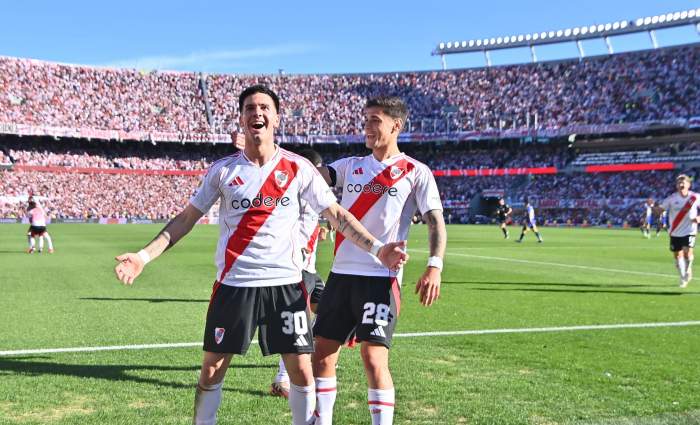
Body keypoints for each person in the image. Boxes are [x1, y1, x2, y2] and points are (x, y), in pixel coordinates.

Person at [113, 85, 408, 425]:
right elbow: (186, 219)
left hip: (286, 286)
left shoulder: (298, 168)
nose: (257, 113)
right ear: (241, 119)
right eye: (250, 108)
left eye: (265, 107)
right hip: (235, 284)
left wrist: (378, 248)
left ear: (276, 118)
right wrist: (143, 256)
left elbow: (338, 216)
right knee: (212, 368)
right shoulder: (223, 171)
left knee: (301, 370)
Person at [311, 96, 446, 425]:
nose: (367, 126)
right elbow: (313, 177)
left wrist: (434, 265)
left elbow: (435, 221)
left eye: (375, 120)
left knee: (373, 358)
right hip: (341, 274)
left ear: (396, 125)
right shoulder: (349, 166)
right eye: (366, 119)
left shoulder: (415, 172)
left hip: (380, 277)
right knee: (322, 354)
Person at [270, 148, 329, 399]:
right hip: (297, 268)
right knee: (297, 323)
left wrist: (320, 230)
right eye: (319, 169)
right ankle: (282, 378)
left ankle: (313, 352)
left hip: (310, 269)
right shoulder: (294, 191)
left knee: (330, 311)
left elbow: (314, 218)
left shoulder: (313, 193)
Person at [660, 174, 700, 288]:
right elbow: (661, 209)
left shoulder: (695, 197)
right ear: (676, 185)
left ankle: (687, 271)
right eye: (679, 182)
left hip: (690, 230)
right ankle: (683, 277)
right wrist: (654, 208)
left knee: (687, 252)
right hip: (675, 231)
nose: (681, 184)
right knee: (677, 255)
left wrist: (698, 218)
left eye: (683, 182)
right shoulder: (671, 199)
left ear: (688, 184)